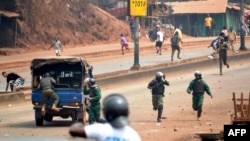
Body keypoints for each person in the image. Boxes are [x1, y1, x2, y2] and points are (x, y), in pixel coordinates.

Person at [69, 93, 141, 141]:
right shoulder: (133, 135)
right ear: (126, 112)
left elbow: (73, 130)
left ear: (106, 112)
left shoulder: (101, 129)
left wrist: (79, 124)